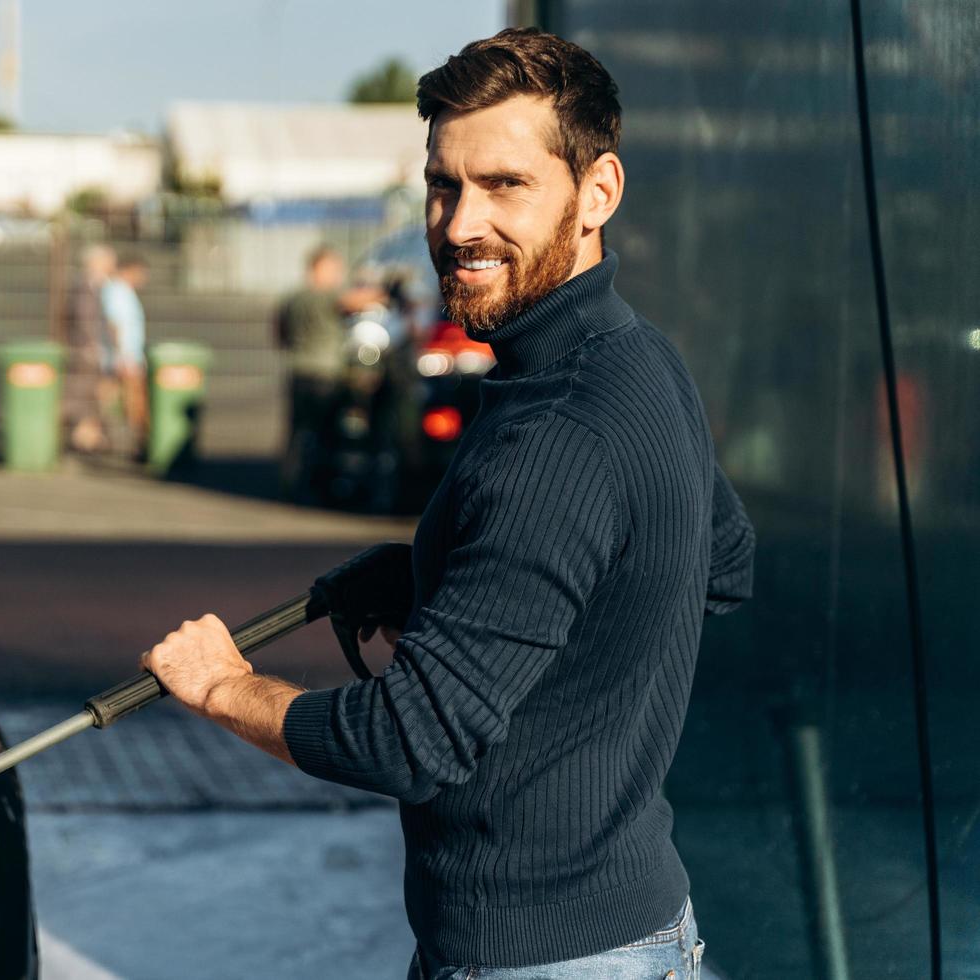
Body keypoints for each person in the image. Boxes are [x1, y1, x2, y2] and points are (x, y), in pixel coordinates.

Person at [139, 28, 755, 980]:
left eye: (506, 184)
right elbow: (714, 564)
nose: (460, 223)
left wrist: (223, 687)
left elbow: (407, 741)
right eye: (443, 183)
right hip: (640, 932)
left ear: (598, 193)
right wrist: (445, 580)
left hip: (542, 960)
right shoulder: (640, 360)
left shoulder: (557, 434)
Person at [274, 245, 382, 497]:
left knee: (297, 431)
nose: (338, 274)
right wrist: (385, 292)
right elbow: (355, 300)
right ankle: (320, 486)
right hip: (326, 374)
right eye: (333, 268)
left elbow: (279, 331)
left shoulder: (291, 298)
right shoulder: (326, 295)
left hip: (298, 370)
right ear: (318, 268)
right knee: (326, 434)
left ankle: (290, 484)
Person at [63, 244, 116, 453]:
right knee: (84, 395)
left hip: (90, 349)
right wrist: (92, 344)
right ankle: (85, 436)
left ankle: (87, 435)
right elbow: (86, 318)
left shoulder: (95, 286)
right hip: (87, 350)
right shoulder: (87, 287)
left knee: (89, 395)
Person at [101, 254, 150, 454]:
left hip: (128, 355)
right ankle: (138, 442)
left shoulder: (123, 291)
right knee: (132, 401)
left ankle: (107, 436)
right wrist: (123, 356)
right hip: (126, 357)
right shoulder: (117, 292)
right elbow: (115, 325)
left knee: (112, 398)